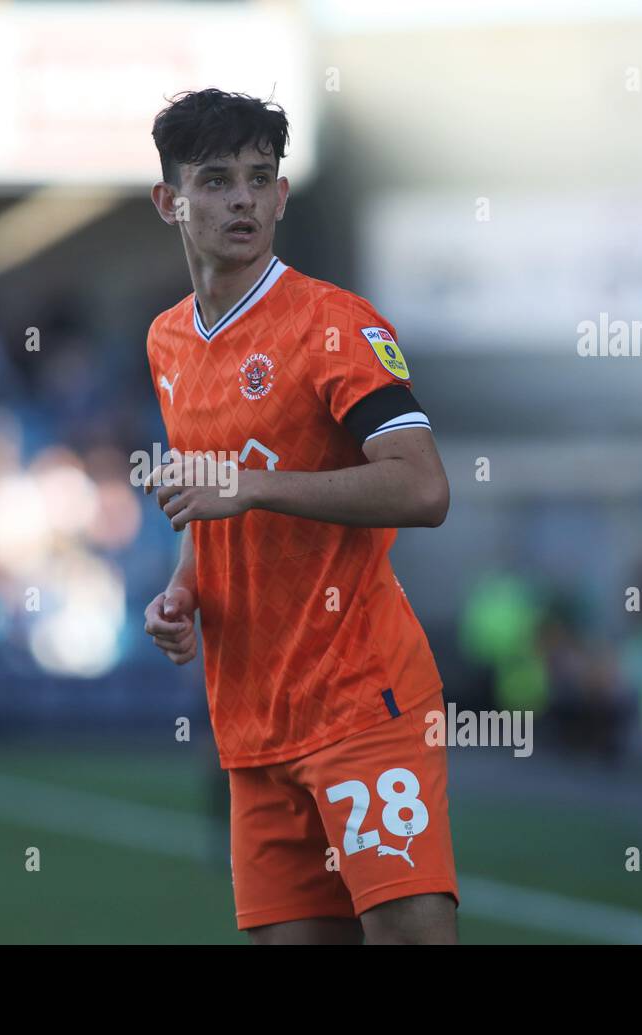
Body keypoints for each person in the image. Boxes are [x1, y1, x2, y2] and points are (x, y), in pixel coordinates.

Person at [141, 89, 458, 944]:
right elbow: (212, 505)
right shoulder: (166, 342)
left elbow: (423, 487)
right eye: (215, 180)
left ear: (282, 197)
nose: (241, 198)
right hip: (251, 722)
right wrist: (183, 591)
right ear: (170, 201)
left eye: (258, 178)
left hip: (360, 698)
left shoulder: (333, 325)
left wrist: (252, 486)